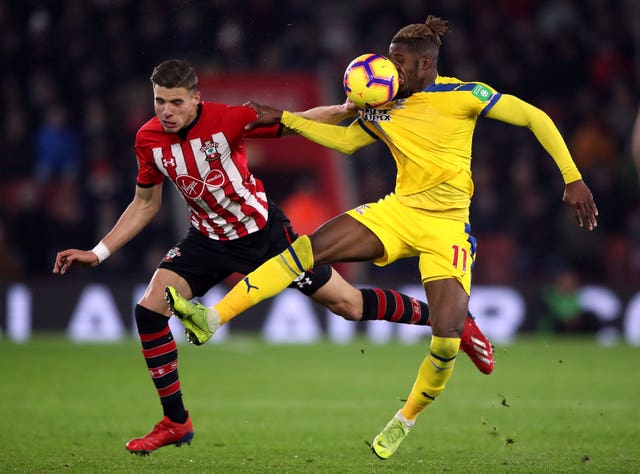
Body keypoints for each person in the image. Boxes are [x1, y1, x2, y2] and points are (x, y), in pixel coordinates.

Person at [166, 16, 599, 460]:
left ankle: (404, 419)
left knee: (446, 339)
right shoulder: (382, 103)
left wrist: (573, 179)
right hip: (397, 211)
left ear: (426, 64)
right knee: (305, 251)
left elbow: (533, 116)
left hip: (447, 227)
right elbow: (348, 143)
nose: (390, 70)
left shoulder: (463, 95)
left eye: (400, 62)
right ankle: (213, 318)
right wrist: (289, 121)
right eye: (389, 60)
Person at [52, 59, 494, 455]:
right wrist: (99, 251)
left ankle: (452, 320)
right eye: (159, 101)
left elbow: (296, 121)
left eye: (175, 102)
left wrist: (343, 111)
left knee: (350, 306)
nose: (165, 111)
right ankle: (175, 422)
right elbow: (145, 204)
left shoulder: (229, 119)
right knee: (149, 312)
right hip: (206, 240)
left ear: (196, 99)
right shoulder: (148, 139)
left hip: (264, 234)